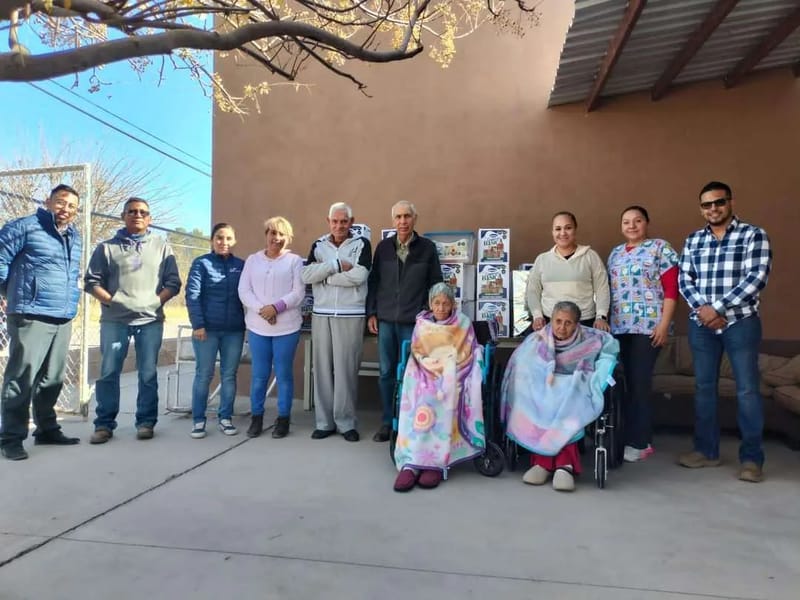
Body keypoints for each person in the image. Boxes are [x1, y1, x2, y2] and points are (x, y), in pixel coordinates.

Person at [678, 181, 772, 483]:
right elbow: (684, 280)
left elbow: (756, 277)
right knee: (704, 389)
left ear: (730, 202)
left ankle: (752, 459)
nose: (713, 209)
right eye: (707, 205)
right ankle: (707, 452)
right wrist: (703, 311)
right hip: (702, 326)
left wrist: (716, 309)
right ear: (701, 209)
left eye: (719, 202)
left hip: (740, 323)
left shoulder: (753, 235)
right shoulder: (693, 240)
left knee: (747, 391)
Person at [85, 197, 182, 443]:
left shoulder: (162, 247)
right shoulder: (106, 248)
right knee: (108, 372)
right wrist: (113, 301)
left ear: (149, 218)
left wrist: (154, 302)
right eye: (132, 211)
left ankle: (146, 422)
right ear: (123, 216)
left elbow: (173, 283)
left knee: (148, 373)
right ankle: (104, 425)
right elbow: (92, 282)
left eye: (143, 212)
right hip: (114, 321)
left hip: (150, 321)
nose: (137, 215)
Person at [0, 184, 83, 460]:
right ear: (48, 201)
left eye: (72, 206)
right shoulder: (24, 227)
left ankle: (46, 429)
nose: (66, 209)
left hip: (62, 314)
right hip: (30, 313)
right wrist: (7, 293)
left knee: (52, 379)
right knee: (21, 378)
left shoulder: (74, 236)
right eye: (61, 202)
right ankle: (10, 438)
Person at [501, 301, 618, 492]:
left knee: (570, 402)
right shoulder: (538, 339)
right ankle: (542, 463)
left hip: (574, 383)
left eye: (568, 323)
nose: (561, 327)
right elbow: (522, 363)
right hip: (544, 385)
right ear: (551, 320)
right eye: (558, 321)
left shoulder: (590, 339)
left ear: (577, 324)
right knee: (539, 399)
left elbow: (609, 346)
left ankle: (564, 464)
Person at [393, 283, 485, 492]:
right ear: (430, 304)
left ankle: (434, 462)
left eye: (446, 303)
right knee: (419, 397)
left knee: (446, 395)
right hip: (424, 371)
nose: (441, 308)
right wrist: (431, 368)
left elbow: (467, 351)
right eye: (437, 303)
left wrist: (446, 369)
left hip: (454, 372)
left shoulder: (462, 323)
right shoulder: (422, 324)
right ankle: (412, 462)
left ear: (453, 304)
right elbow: (417, 352)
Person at [607, 206, 679, 463]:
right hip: (619, 327)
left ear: (647, 223)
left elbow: (672, 290)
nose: (632, 226)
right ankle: (623, 435)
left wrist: (663, 324)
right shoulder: (615, 253)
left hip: (648, 328)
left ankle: (641, 442)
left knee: (639, 383)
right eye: (626, 221)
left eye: (637, 221)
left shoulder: (660, 248)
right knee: (622, 384)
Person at [366, 201, 442, 442]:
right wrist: (372, 313)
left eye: (407, 216)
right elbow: (374, 282)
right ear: (393, 220)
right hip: (386, 321)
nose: (402, 221)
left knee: (413, 374)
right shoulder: (384, 248)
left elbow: (436, 285)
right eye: (398, 217)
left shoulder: (427, 248)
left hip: (414, 323)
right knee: (387, 372)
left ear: (414, 219)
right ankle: (388, 422)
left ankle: (409, 422)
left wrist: (429, 315)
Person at [302, 203, 372, 442]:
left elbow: (360, 276)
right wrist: (334, 266)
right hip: (322, 314)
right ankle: (324, 423)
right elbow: (306, 275)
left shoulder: (362, 244)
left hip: (351, 314)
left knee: (346, 371)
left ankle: (346, 423)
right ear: (328, 221)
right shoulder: (318, 246)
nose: (339, 226)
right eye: (335, 221)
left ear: (351, 222)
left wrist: (328, 280)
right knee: (322, 369)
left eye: (344, 221)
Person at [238, 216, 304, 439]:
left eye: (281, 234)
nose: (276, 238)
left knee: (284, 374)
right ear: (266, 235)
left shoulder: (294, 261)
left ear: (288, 237)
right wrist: (262, 310)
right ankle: (256, 418)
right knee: (259, 375)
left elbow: (298, 293)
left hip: (287, 327)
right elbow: (244, 291)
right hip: (258, 328)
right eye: (272, 233)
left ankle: (283, 420)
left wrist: (276, 308)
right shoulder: (252, 260)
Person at [185, 223, 246, 439]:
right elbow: (192, 295)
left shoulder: (241, 265)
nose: (224, 242)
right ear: (212, 240)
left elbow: (249, 294)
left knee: (229, 375)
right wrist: (198, 325)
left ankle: (225, 418)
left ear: (234, 241)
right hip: (207, 331)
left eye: (229, 238)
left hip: (234, 331)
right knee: (204, 375)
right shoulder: (201, 263)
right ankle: (198, 420)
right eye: (219, 238)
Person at [525, 211, 610, 333]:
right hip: (550, 322)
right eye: (558, 229)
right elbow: (533, 290)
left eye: (568, 228)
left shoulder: (590, 256)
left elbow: (602, 288)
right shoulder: (542, 259)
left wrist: (601, 316)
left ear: (575, 230)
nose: (563, 233)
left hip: (584, 322)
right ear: (552, 232)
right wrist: (537, 316)